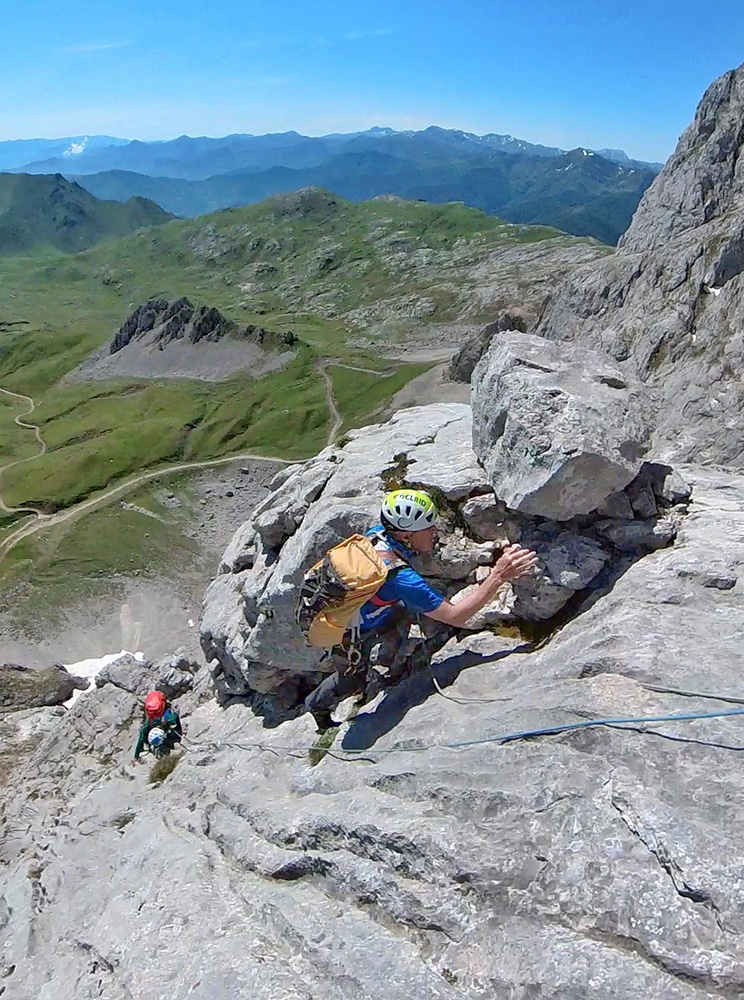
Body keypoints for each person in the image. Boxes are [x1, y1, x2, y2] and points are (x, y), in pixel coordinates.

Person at [303, 488, 538, 730]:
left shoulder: (377, 536)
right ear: (405, 535)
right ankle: (317, 705)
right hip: (347, 633)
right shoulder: (402, 579)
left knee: (395, 624)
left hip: (361, 610)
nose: (435, 533)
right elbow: (456, 616)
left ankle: (390, 660)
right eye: (428, 529)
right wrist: (498, 575)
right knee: (352, 680)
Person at [132, 690, 182, 762]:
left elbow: (141, 738)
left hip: (163, 720)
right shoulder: (162, 719)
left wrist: (136, 756)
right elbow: (175, 717)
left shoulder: (152, 721)